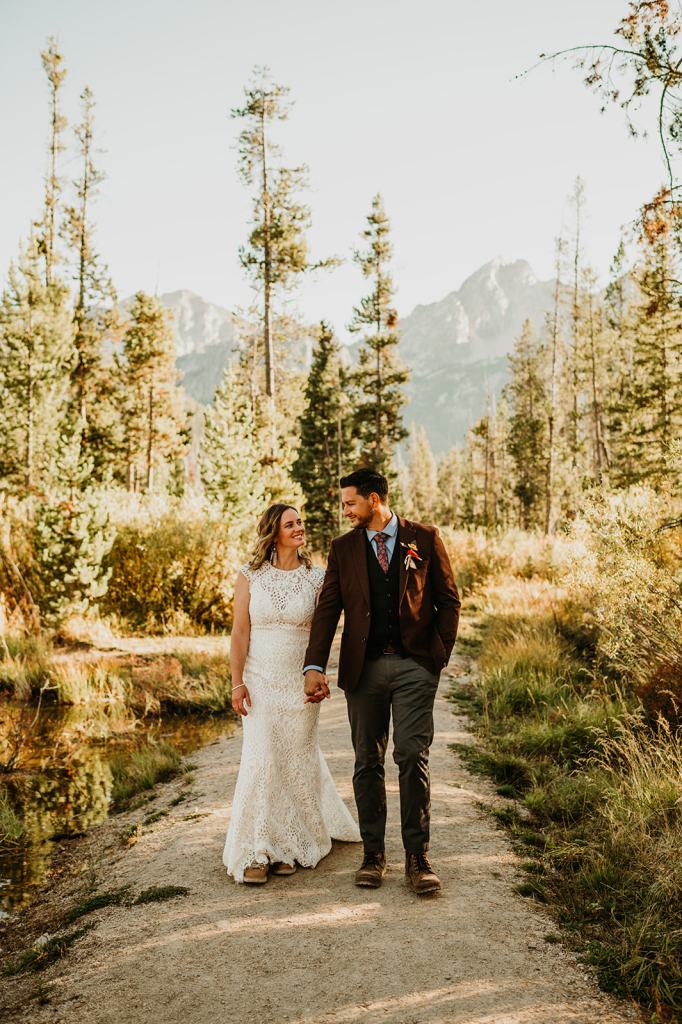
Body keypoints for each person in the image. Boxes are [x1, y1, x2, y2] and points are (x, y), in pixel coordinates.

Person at [303, 468, 460, 895]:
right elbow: (328, 608)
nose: (345, 511)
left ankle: (418, 857)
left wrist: (437, 657)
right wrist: (313, 664)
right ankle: (374, 855)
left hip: (415, 668)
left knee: (412, 755)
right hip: (364, 670)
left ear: (375, 500)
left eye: (350, 503)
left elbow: (448, 600)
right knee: (366, 761)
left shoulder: (423, 538)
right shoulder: (344, 548)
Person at [223, 503, 361, 884]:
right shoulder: (249, 576)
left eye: (301, 521)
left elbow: (325, 630)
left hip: (298, 681)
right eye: (290, 523)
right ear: (274, 531)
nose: (299, 527)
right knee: (263, 757)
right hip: (260, 678)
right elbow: (240, 632)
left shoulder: (317, 578)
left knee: (295, 760)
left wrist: (318, 674)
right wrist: (237, 681)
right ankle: (258, 849)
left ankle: (289, 845)